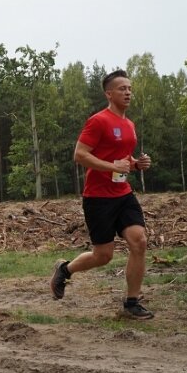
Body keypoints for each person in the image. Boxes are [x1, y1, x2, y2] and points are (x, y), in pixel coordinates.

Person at [51, 69, 154, 319]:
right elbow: (80, 154)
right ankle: (65, 270)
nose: (128, 92)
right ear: (109, 94)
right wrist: (112, 167)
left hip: (123, 193)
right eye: (122, 88)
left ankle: (132, 302)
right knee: (103, 255)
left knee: (139, 241)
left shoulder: (129, 124)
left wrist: (135, 163)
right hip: (98, 197)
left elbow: (120, 157)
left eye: (129, 88)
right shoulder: (98, 121)